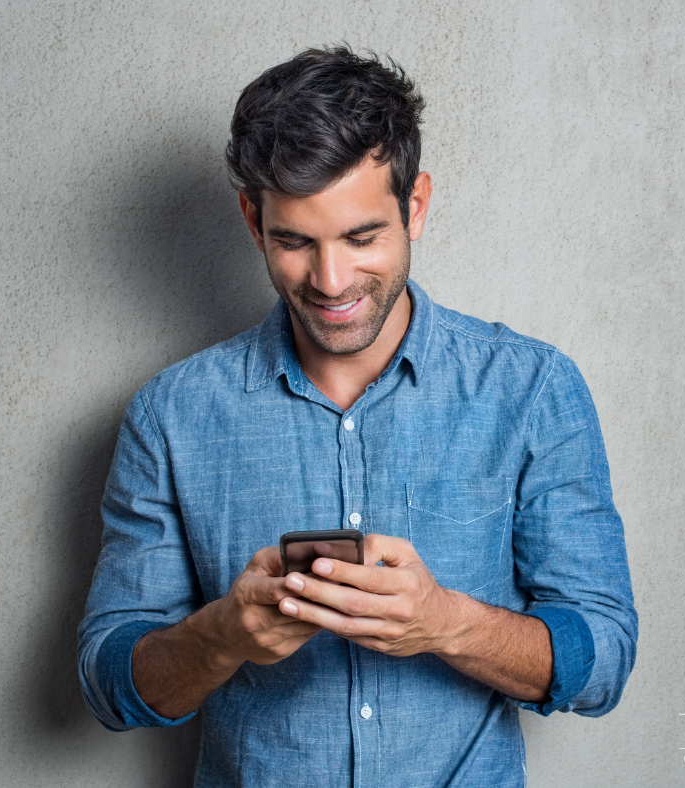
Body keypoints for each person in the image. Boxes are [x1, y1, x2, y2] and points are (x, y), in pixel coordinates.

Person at [78, 46, 637, 787]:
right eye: (294, 242)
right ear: (253, 221)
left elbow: (602, 659)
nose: (331, 280)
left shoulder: (532, 390)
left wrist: (445, 622)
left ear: (416, 206)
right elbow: (110, 686)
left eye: (362, 237)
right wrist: (221, 636)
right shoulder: (170, 416)